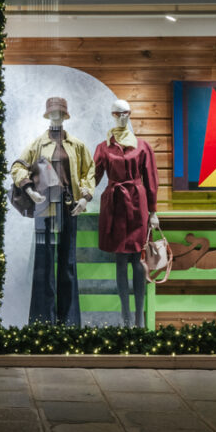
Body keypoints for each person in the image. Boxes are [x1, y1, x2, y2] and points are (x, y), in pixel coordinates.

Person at [10, 96, 95, 325]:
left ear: (65, 116)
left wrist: (85, 197)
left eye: (60, 112)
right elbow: (17, 166)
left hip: (69, 207)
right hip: (44, 209)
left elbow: (89, 171)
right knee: (44, 263)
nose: (56, 116)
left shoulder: (76, 145)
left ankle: (69, 322)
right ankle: (42, 321)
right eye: (52, 112)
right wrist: (29, 189)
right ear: (47, 115)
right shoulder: (38, 144)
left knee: (68, 262)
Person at [94, 99, 159, 326]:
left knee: (138, 260)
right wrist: (82, 195)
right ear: (112, 115)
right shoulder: (103, 148)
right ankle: (126, 317)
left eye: (126, 113)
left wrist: (153, 211)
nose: (123, 117)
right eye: (118, 113)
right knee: (120, 260)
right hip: (114, 206)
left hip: (137, 205)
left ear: (130, 114)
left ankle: (139, 317)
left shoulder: (142, 147)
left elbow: (151, 180)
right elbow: (93, 177)